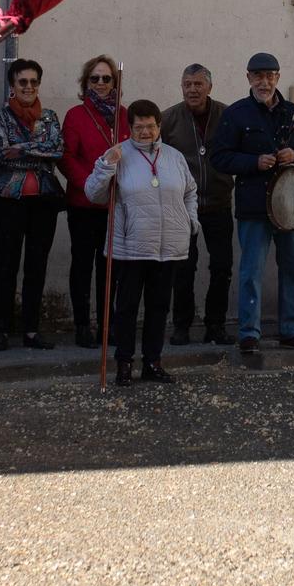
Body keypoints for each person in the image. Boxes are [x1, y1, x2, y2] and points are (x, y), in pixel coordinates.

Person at [210, 52, 294, 352]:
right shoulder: (235, 114)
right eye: (258, 76)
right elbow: (219, 157)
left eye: (270, 75)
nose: (264, 81)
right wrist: (253, 162)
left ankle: (292, 330)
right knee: (251, 272)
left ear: (278, 78)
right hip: (254, 205)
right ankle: (249, 333)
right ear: (248, 78)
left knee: (293, 269)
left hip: (292, 207)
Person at [85, 99, 197, 385]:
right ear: (130, 127)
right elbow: (93, 194)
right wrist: (105, 168)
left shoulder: (174, 157)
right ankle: (124, 364)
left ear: (159, 126)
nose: (145, 132)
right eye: (138, 127)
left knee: (159, 308)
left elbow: (190, 192)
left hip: (169, 245)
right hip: (131, 246)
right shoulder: (117, 155)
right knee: (126, 308)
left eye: (150, 126)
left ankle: (153, 362)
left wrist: (190, 222)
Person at [0, 58, 64, 350]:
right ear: (13, 85)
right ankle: (1, 329)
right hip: (8, 200)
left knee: (37, 265)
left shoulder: (50, 116)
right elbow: (0, 153)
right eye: (23, 82)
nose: (28, 87)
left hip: (43, 201)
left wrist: (20, 148)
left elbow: (57, 150)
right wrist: (37, 151)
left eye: (33, 81)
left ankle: (31, 330)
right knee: (6, 264)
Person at [162, 65, 233, 345]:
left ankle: (215, 324)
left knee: (222, 266)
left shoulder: (227, 116)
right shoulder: (168, 119)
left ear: (209, 87)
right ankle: (181, 325)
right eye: (188, 84)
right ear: (181, 87)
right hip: (182, 207)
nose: (193, 89)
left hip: (219, 203)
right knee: (183, 268)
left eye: (198, 84)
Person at [61, 55, 128, 348]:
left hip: (116, 205)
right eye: (95, 78)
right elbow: (67, 157)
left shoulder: (124, 115)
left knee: (110, 267)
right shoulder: (76, 115)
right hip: (85, 203)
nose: (100, 83)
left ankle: (107, 324)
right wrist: (92, 184)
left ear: (115, 82)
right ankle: (81, 324)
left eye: (106, 78)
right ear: (85, 82)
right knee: (82, 265)